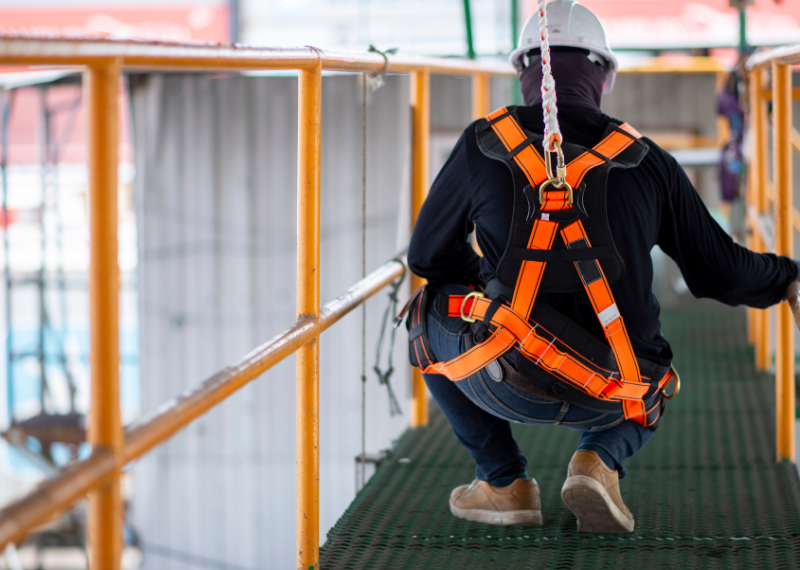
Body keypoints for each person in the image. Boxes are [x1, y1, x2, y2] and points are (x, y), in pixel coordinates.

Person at [404, 0, 799, 534]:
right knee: (653, 368)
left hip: (507, 376)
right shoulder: (647, 158)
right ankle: (601, 460)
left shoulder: (483, 142)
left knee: (425, 308)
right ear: (606, 77)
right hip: (619, 391)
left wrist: (487, 289)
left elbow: (427, 257)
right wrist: (787, 273)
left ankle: (503, 483)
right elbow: (721, 273)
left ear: (522, 71)